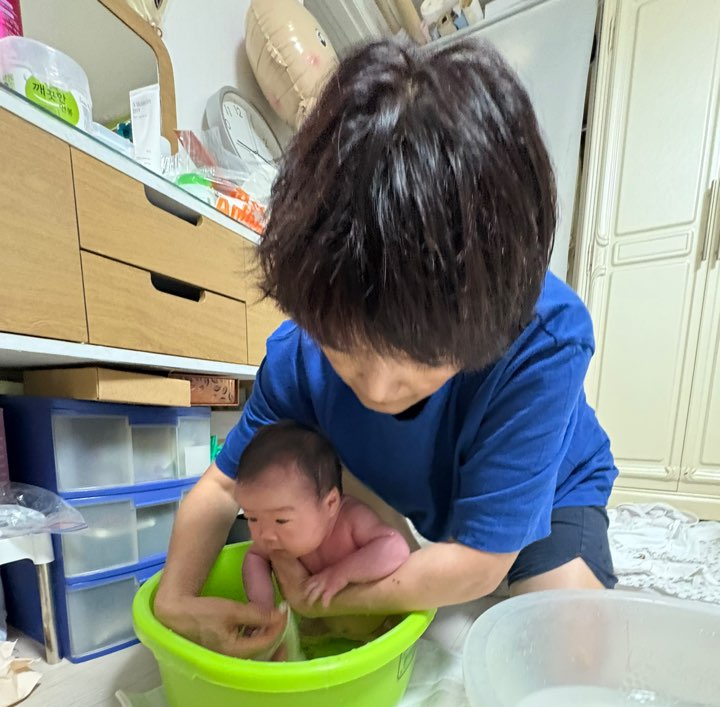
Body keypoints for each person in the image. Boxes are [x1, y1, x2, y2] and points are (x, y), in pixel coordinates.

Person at [154, 38, 618, 658]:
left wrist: (327, 598)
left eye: (421, 361)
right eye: (343, 349)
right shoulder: (298, 357)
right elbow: (220, 490)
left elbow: (480, 565)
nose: (375, 389)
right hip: (423, 494)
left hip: (554, 491)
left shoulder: (544, 338)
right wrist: (174, 601)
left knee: (570, 660)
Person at [236, 421, 410, 660]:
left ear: (330, 504)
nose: (264, 534)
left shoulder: (351, 519)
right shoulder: (276, 538)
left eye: (281, 520)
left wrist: (342, 573)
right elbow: (254, 556)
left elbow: (395, 547)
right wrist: (262, 607)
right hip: (320, 628)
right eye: (252, 518)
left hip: (376, 630)